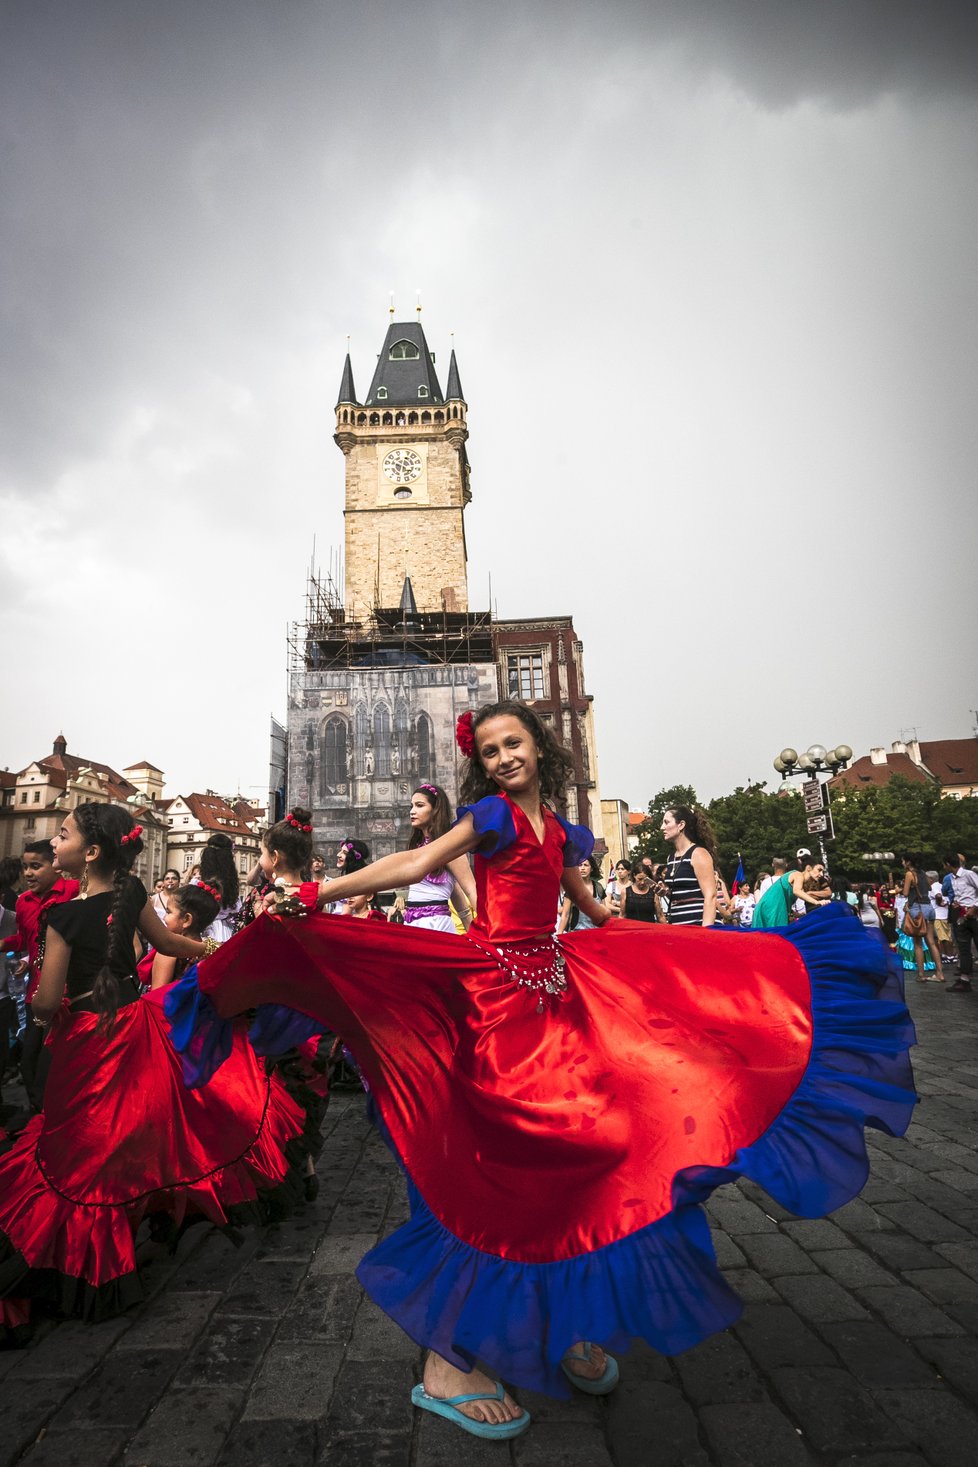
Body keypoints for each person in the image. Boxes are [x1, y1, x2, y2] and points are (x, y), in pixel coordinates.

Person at [166, 698, 914, 1442]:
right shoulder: (489, 816)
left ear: (539, 747)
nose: (502, 758)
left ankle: (561, 1317)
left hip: (558, 996)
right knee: (507, 1155)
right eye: (489, 750)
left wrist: (709, 947)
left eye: (512, 743)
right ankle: (448, 1361)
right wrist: (317, 890)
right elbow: (418, 862)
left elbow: (593, 912)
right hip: (492, 1005)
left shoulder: (559, 830)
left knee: (599, 1140)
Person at [0, 802, 308, 1336]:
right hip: (131, 1027)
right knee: (127, 1134)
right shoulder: (132, 894)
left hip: (83, 1038)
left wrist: (43, 1004)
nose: (54, 841)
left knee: (76, 1149)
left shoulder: (62, 917)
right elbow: (168, 943)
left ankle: (74, 1260)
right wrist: (222, 950)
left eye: (63, 834)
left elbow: (48, 1000)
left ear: (90, 852)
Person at [1, 840, 80, 1114]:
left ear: (56, 867)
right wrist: (8, 948)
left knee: (54, 1061)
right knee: (29, 1061)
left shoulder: (75, 892)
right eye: (25, 867)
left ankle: (54, 1118)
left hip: (66, 992)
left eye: (36, 866)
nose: (28, 873)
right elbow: (23, 939)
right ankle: (38, 1116)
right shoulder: (23, 902)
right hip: (34, 992)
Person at [403, 784, 476, 932]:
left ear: (435, 809)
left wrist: (484, 932)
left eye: (419, 805)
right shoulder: (418, 845)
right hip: (411, 922)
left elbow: (471, 889)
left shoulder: (449, 846)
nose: (412, 811)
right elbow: (454, 890)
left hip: (436, 924)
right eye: (411, 806)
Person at [661, 805, 718, 926]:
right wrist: (665, 891)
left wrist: (705, 932)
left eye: (666, 822)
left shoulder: (698, 853)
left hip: (697, 924)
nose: (662, 827)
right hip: (679, 925)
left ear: (681, 825)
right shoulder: (671, 858)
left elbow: (710, 896)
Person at [751, 857, 831, 929]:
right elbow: (796, 891)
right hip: (771, 909)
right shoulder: (798, 875)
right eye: (819, 870)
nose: (821, 874)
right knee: (775, 938)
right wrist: (817, 902)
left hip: (773, 909)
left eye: (823, 872)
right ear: (809, 868)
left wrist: (793, 913)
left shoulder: (801, 882)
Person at [900, 855, 944, 984]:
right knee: (931, 942)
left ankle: (921, 974)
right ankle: (940, 973)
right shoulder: (923, 873)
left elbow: (906, 893)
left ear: (908, 862)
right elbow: (929, 888)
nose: (902, 863)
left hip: (917, 908)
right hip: (929, 908)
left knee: (918, 943)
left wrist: (902, 888)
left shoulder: (909, 874)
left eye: (903, 860)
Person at [943, 853, 978, 993]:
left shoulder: (969, 874)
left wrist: (975, 907)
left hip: (974, 915)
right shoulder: (952, 878)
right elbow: (960, 895)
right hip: (961, 915)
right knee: (963, 948)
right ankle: (964, 980)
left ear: (947, 864)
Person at [198, 833, 241, 941]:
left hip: (203, 930)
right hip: (228, 931)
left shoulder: (198, 883)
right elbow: (236, 909)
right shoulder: (230, 883)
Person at [559, 856, 608, 931]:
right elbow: (565, 914)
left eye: (586, 865)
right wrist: (560, 932)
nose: (582, 868)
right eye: (580, 865)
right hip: (577, 932)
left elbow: (603, 911)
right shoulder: (572, 888)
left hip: (596, 931)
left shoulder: (598, 887)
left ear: (591, 868)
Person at [928, 870, 956, 968]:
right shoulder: (940, 885)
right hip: (943, 914)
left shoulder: (934, 886)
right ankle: (946, 954)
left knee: (942, 937)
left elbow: (938, 895)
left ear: (931, 879)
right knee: (944, 936)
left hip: (938, 915)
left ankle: (949, 956)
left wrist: (939, 902)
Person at [617, 859, 659, 923]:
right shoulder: (625, 892)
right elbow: (622, 915)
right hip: (631, 930)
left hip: (649, 930)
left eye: (645, 879)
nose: (642, 882)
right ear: (634, 876)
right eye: (639, 879)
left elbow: (660, 915)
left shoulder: (653, 892)